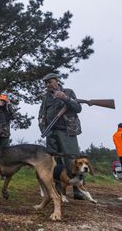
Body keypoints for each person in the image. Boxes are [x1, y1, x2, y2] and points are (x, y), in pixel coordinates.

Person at [38, 72, 85, 200]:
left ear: (57, 81)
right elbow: (42, 114)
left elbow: (78, 108)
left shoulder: (68, 92)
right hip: (52, 132)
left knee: (72, 160)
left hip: (67, 131)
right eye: (46, 83)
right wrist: (44, 129)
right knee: (55, 161)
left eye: (50, 81)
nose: (48, 84)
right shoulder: (46, 97)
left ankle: (78, 189)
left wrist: (65, 98)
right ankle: (58, 189)